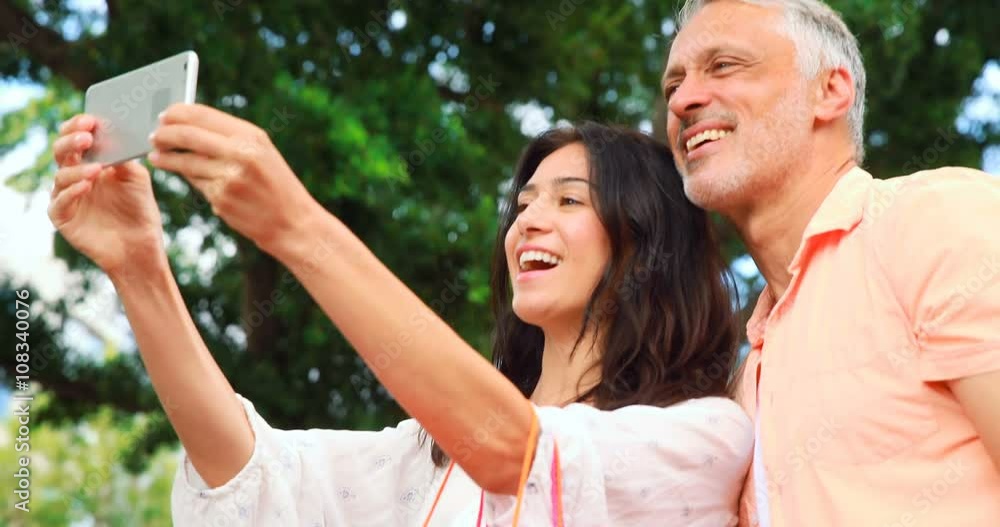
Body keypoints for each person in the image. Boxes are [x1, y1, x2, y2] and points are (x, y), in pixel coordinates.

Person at [49, 115, 752, 525]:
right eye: (524, 203)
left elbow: (517, 454)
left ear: (645, 245)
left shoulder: (703, 439)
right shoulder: (433, 458)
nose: (528, 221)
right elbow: (251, 473)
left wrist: (296, 226)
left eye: (569, 200)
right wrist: (139, 268)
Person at [662, 1, 1000, 525]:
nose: (683, 99)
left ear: (829, 91)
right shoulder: (746, 377)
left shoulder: (933, 219)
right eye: (673, 86)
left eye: (724, 65)